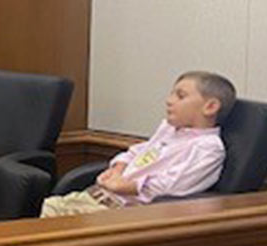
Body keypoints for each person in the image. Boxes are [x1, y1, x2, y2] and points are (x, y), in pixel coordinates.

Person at [41, 71, 234, 217]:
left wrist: (126, 186)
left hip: (124, 213)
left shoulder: (208, 147)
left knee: (31, 226)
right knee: (28, 210)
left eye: (180, 96)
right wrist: (117, 169)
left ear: (210, 106)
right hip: (96, 197)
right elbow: (137, 152)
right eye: (171, 94)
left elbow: (174, 186)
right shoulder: (170, 130)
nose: (169, 101)